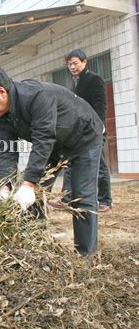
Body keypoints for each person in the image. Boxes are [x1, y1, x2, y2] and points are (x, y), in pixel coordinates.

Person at [0, 66, 104, 255]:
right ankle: (36, 246)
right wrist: (5, 187)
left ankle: (86, 254)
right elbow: (7, 151)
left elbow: (43, 139)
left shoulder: (36, 96)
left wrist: (28, 183)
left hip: (83, 136)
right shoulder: (1, 114)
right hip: (55, 143)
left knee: (82, 195)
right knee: (35, 195)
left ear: (1, 92)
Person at [56, 49, 112, 212]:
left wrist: (99, 127)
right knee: (70, 163)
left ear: (84, 62)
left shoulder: (95, 80)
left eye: (75, 63)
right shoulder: (74, 82)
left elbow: (101, 105)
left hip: (95, 129)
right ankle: (67, 198)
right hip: (77, 131)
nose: (72, 67)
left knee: (99, 165)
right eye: (69, 64)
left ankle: (105, 200)